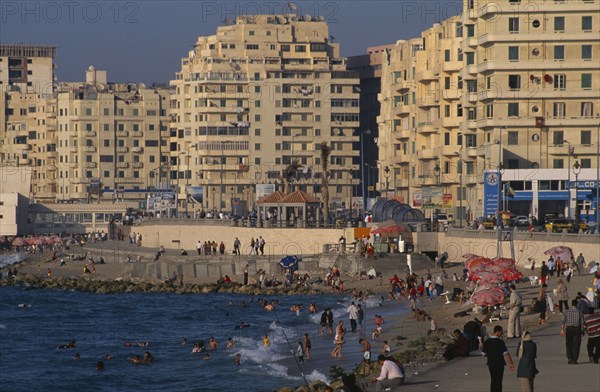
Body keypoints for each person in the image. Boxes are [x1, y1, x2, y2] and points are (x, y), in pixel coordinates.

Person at [482, 325, 515, 392]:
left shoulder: (487, 341)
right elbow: (506, 354)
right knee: (499, 381)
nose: (502, 333)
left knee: (493, 379)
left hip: (491, 364)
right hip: (499, 364)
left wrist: (491, 355)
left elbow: (484, 354)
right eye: (501, 332)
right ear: (497, 332)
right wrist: (511, 363)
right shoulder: (500, 342)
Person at [561, 299, 585, 364]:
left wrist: (562, 330)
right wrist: (583, 331)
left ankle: (569, 358)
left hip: (569, 329)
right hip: (577, 329)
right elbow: (582, 323)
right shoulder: (579, 312)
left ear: (571, 304)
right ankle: (574, 359)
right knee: (576, 344)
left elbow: (563, 322)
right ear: (577, 304)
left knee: (568, 343)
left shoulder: (566, 312)